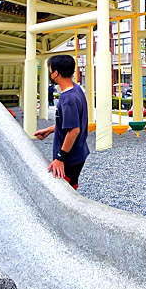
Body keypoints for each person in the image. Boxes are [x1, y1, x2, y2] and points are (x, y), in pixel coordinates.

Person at [32, 55, 89, 190]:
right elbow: (70, 122)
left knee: (64, 194)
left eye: (51, 70)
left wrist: (60, 158)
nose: (50, 73)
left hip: (70, 158)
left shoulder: (68, 99)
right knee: (71, 188)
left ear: (56, 73)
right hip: (79, 153)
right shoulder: (76, 89)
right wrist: (50, 130)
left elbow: (74, 130)